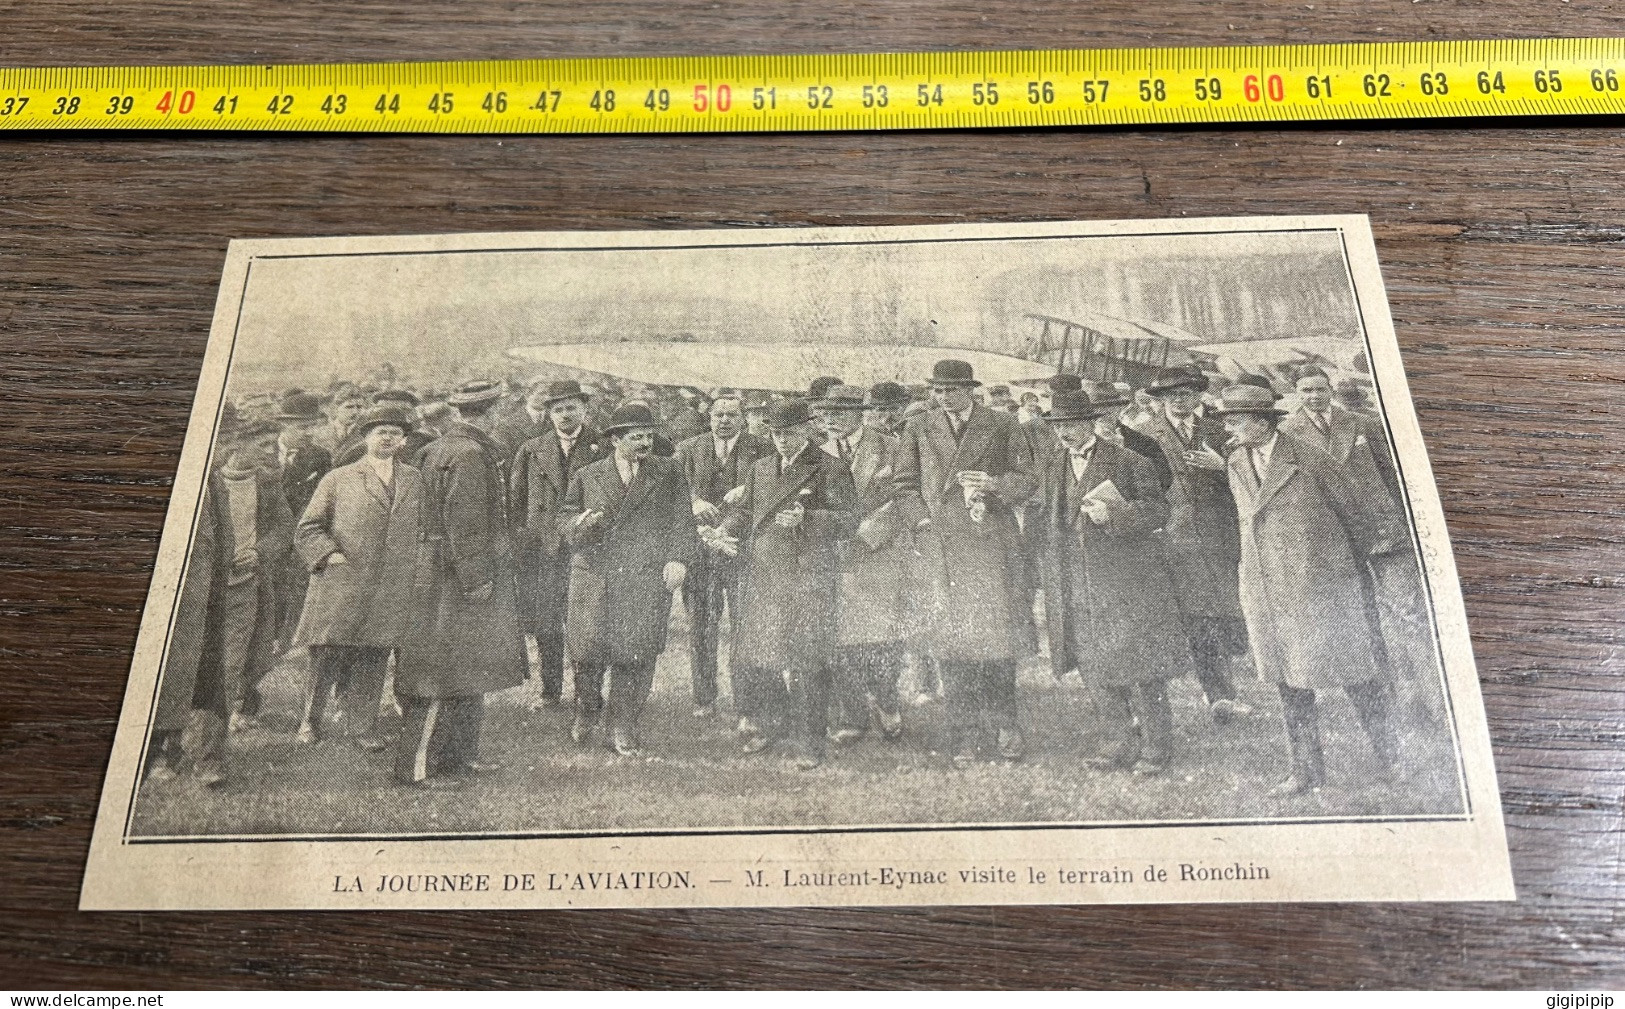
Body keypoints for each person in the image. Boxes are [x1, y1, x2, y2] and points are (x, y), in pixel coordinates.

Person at [1216, 384, 1403, 796]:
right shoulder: (1235, 461)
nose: (1228, 427)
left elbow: (1354, 509)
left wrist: (1343, 572)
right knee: (1288, 681)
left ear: (1261, 422)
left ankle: (1392, 758)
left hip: (1322, 585)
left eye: (1235, 419)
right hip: (1267, 588)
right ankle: (1304, 772)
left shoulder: (1307, 455)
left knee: (1356, 672)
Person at [1033, 391, 1194, 775]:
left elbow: (1158, 510)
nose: (1064, 434)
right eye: (1057, 427)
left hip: (1124, 582)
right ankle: (1116, 743)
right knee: (1092, 663)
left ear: (1090, 423)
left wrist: (1116, 515)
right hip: (1074, 582)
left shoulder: (1129, 460)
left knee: (1137, 664)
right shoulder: (1054, 463)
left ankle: (1156, 747)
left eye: (1070, 425)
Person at [893, 359, 1036, 768]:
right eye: (937, 390)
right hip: (942, 547)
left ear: (971, 389)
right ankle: (964, 732)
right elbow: (903, 483)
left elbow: (1027, 479)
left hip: (990, 541)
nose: (943, 397)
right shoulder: (919, 426)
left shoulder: (1003, 424)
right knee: (951, 640)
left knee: (997, 640)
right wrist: (920, 520)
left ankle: (1006, 723)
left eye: (951, 389)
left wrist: (994, 488)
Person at [394, 380, 527, 790]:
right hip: (453, 576)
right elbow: (465, 524)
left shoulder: (440, 448)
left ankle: (458, 757)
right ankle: (416, 768)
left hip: (440, 568)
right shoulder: (469, 454)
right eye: (499, 408)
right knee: (438, 669)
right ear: (489, 411)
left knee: (467, 668)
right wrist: (476, 578)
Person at [726, 398, 859, 769]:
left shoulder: (830, 467)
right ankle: (773, 725)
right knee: (762, 655)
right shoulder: (762, 467)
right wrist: (724, 531)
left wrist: (809, 518)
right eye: (776, 434)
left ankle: (809, 741)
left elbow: (850, 520)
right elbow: (747, 512)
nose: (782, 441)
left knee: (808, 661)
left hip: (808, 577)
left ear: (806, 430)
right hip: (765, 574)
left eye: (788, 434)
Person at [559, 402, 696, 755]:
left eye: (649, 436)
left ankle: (623, 726)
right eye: (637, 437)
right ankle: (587, 711)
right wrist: (580, 524)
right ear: (616, 440)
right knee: (588, 652)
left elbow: (682, 520)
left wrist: (679, 559)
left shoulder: (668, 472)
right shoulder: (588, 475)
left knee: (637, 654)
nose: (645, 443)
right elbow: (564, 518)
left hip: (645, 576)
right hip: (595, 575)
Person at [292, 405, 424, 750]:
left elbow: (424, 528)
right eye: (381, 431)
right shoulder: (338, 478)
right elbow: (308, 528)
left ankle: (362, 728)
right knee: (326, 654)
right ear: (366, 437)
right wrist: (329, 555)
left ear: (404, 440)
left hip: (390, 586)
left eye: (395, 433)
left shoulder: (415, 479)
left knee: (373, 655)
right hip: (342, 582)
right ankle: (310, 720)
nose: (388, 438)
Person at [1134, 365, 1254, 722]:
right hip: (1175, 539)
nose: (1178, 400)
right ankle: (1219, 694)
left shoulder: (1222, 431)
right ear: (1158, 400)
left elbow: (1256, 473)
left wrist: (1223, 467)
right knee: (1197, 620)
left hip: (1224, 535)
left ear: (1199, 394)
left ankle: (1232, 680)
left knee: (1232, 613)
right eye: (1170, 395)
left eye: (1185, 392)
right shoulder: (1144, 435)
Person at [509, 379, 611, 709]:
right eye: (558, 409)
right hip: (544, 550)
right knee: (547, 623)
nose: (565, 414)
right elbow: (516, 501)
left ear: (584, 409)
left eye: (571, 407)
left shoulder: (604, 446)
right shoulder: (531, 449)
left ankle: (587, 692)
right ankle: (550, 691)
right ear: (549, 414)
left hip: (589, 547)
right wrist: (523, 543)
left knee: (589, 624)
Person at [817, 385, 909, 743]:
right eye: (827, 412)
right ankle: (853, 717)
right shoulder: (818, 453)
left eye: (840, 412)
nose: (831, 419)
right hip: (833, 555)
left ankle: (887, 702)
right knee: (839, 639)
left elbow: (904, 496)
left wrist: (866, 536)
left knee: (881, 638)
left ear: (861, 413)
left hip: (878, 556)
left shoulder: (890, 447)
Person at [674, 390, 773, 717]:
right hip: (700, 553)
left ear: (743, 418)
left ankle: (748, 699)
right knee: (701, 627)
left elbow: (777, 485)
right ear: (710, 417)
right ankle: (705, 699)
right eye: (719, 415)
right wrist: (692, 501)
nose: (725, 421)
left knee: (746, 626)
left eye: (732, 415)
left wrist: (750, 488)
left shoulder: (761, 449)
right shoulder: (689, 448)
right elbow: (668, 489)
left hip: (743, 553)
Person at [215, 420, 297, 732]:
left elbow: (284, 528)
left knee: (257, 650)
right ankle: (214, 718)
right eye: (263, 446)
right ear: (238, 444)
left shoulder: (267, 485)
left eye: (274, 446)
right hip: (209, 583)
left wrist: (259, 552)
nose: (271, 453)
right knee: (218, 652)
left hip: (250, 580)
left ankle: (237, 704)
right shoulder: (210, 483)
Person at [271, 392, 332, 656]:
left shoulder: (319, 457)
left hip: (296, 541)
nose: (309, 433)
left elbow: (318, 504)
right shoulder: (264, 451)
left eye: (313, 426)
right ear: (284, 425)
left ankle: (286, 647)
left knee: (294, 596)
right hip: (263, 540)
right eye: (302, 426)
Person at [314, 390, 368, 456]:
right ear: (336, 408)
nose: (355, 412)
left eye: (359, 407)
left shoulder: (366, 434)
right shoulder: (318, 433)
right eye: (349, 407)